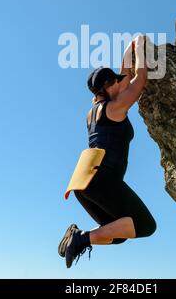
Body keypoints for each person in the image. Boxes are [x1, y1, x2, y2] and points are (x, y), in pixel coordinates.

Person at [58, 35, 157, 268]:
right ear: (105, 89)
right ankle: (80, 238)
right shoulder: (116, 107)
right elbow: (140, 78)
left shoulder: (93, 110)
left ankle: (78, 235)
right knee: (145, 226)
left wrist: (131, 44)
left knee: (119, 233)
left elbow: (125, 74)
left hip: (82, 181)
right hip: (101, 178)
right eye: (114, 82)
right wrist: (141, 49)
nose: (121, 83)